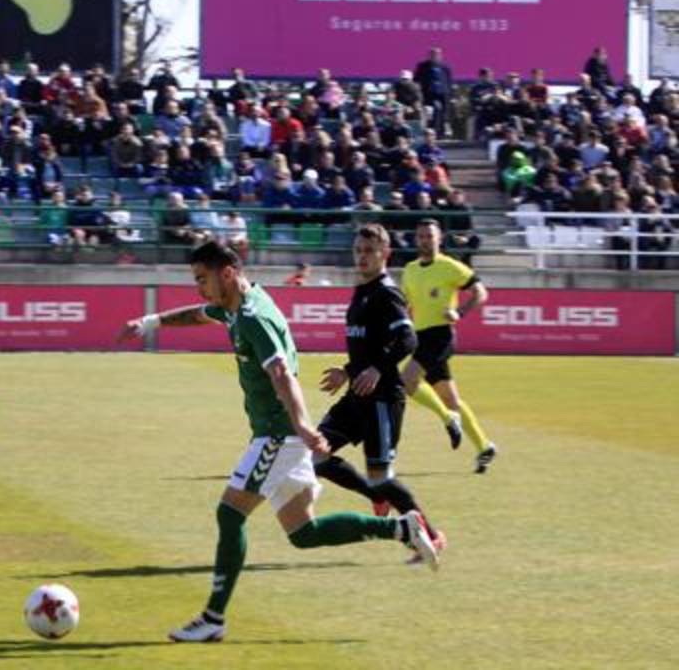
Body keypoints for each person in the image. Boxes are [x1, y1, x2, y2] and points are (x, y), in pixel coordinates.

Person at [117, 240, 439, 643]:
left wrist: (302, 427)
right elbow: (199, 314)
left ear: (228, 274)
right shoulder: (236, 305)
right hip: (280, 433)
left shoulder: (253, 317)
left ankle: (213, 618)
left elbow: (282, 373)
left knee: (229, 514)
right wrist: (149, 322)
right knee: (303, 533)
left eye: (202, 279)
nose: (199, 287)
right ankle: (401, 530)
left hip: (278, 433)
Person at [311, 224, 445, 562]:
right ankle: (376, 495)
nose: (362, 256)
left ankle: (430, 536)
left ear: (385, 254)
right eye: (358, 250)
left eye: (369, 251)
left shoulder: (387, 292)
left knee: (381, 476)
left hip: (383, 399)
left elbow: (408, 340)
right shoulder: (362, 291)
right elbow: (367, 349)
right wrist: (348, 370)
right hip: (356, 395)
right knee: (314, 455)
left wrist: (375, 369)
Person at [401, 219, 497, 472]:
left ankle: (448, 418)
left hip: (441, 334)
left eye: (430, 236)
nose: (425, 240)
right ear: (416, 239)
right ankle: (484, 446)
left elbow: (480, 292)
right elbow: (405, 304)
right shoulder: (410, 269)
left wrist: (460, 312)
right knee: (450, 398)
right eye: (421, 236)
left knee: (407, 380)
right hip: (421, 336)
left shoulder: (451, 267)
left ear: (439, 238)